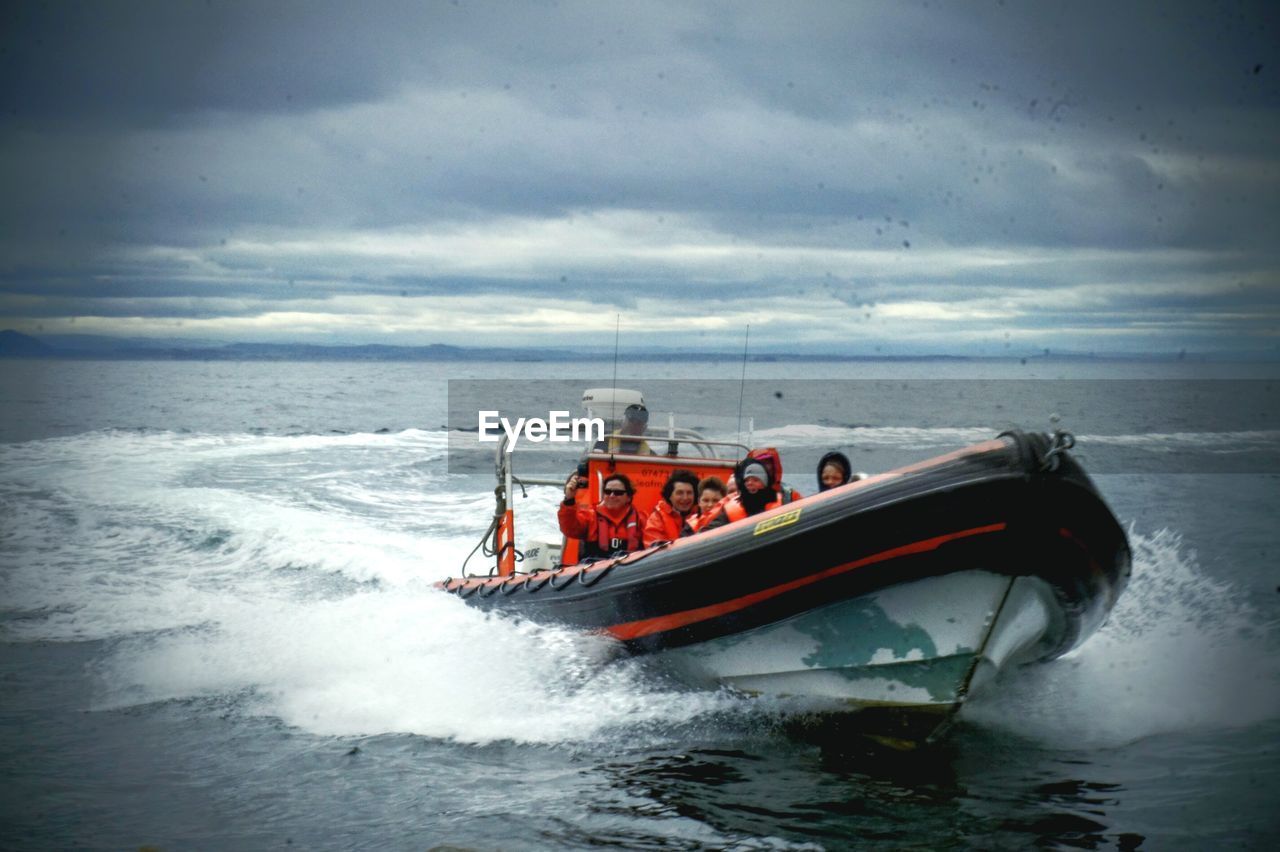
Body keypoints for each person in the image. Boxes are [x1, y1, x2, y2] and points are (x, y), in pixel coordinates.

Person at [697, 447, 801, 531]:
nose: (764, 468)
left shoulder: (789, 496)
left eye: (767, 464)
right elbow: (704, 525)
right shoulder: (732, 501)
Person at [558, 471, 647, 560]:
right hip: (595, 570)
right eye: (608, 492)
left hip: (630, 570)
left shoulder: (641, 519)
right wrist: (569, 499)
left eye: (618, 492)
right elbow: (569, 529)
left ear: (629, 497)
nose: (612, 496)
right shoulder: (591, 516)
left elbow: (652, 546)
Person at [644, 469, 700, 544]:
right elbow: (654, 550)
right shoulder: (657, 519)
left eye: (689, 493)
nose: (685, 498)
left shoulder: (701, 515)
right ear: (669, 496)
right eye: (680, 493)